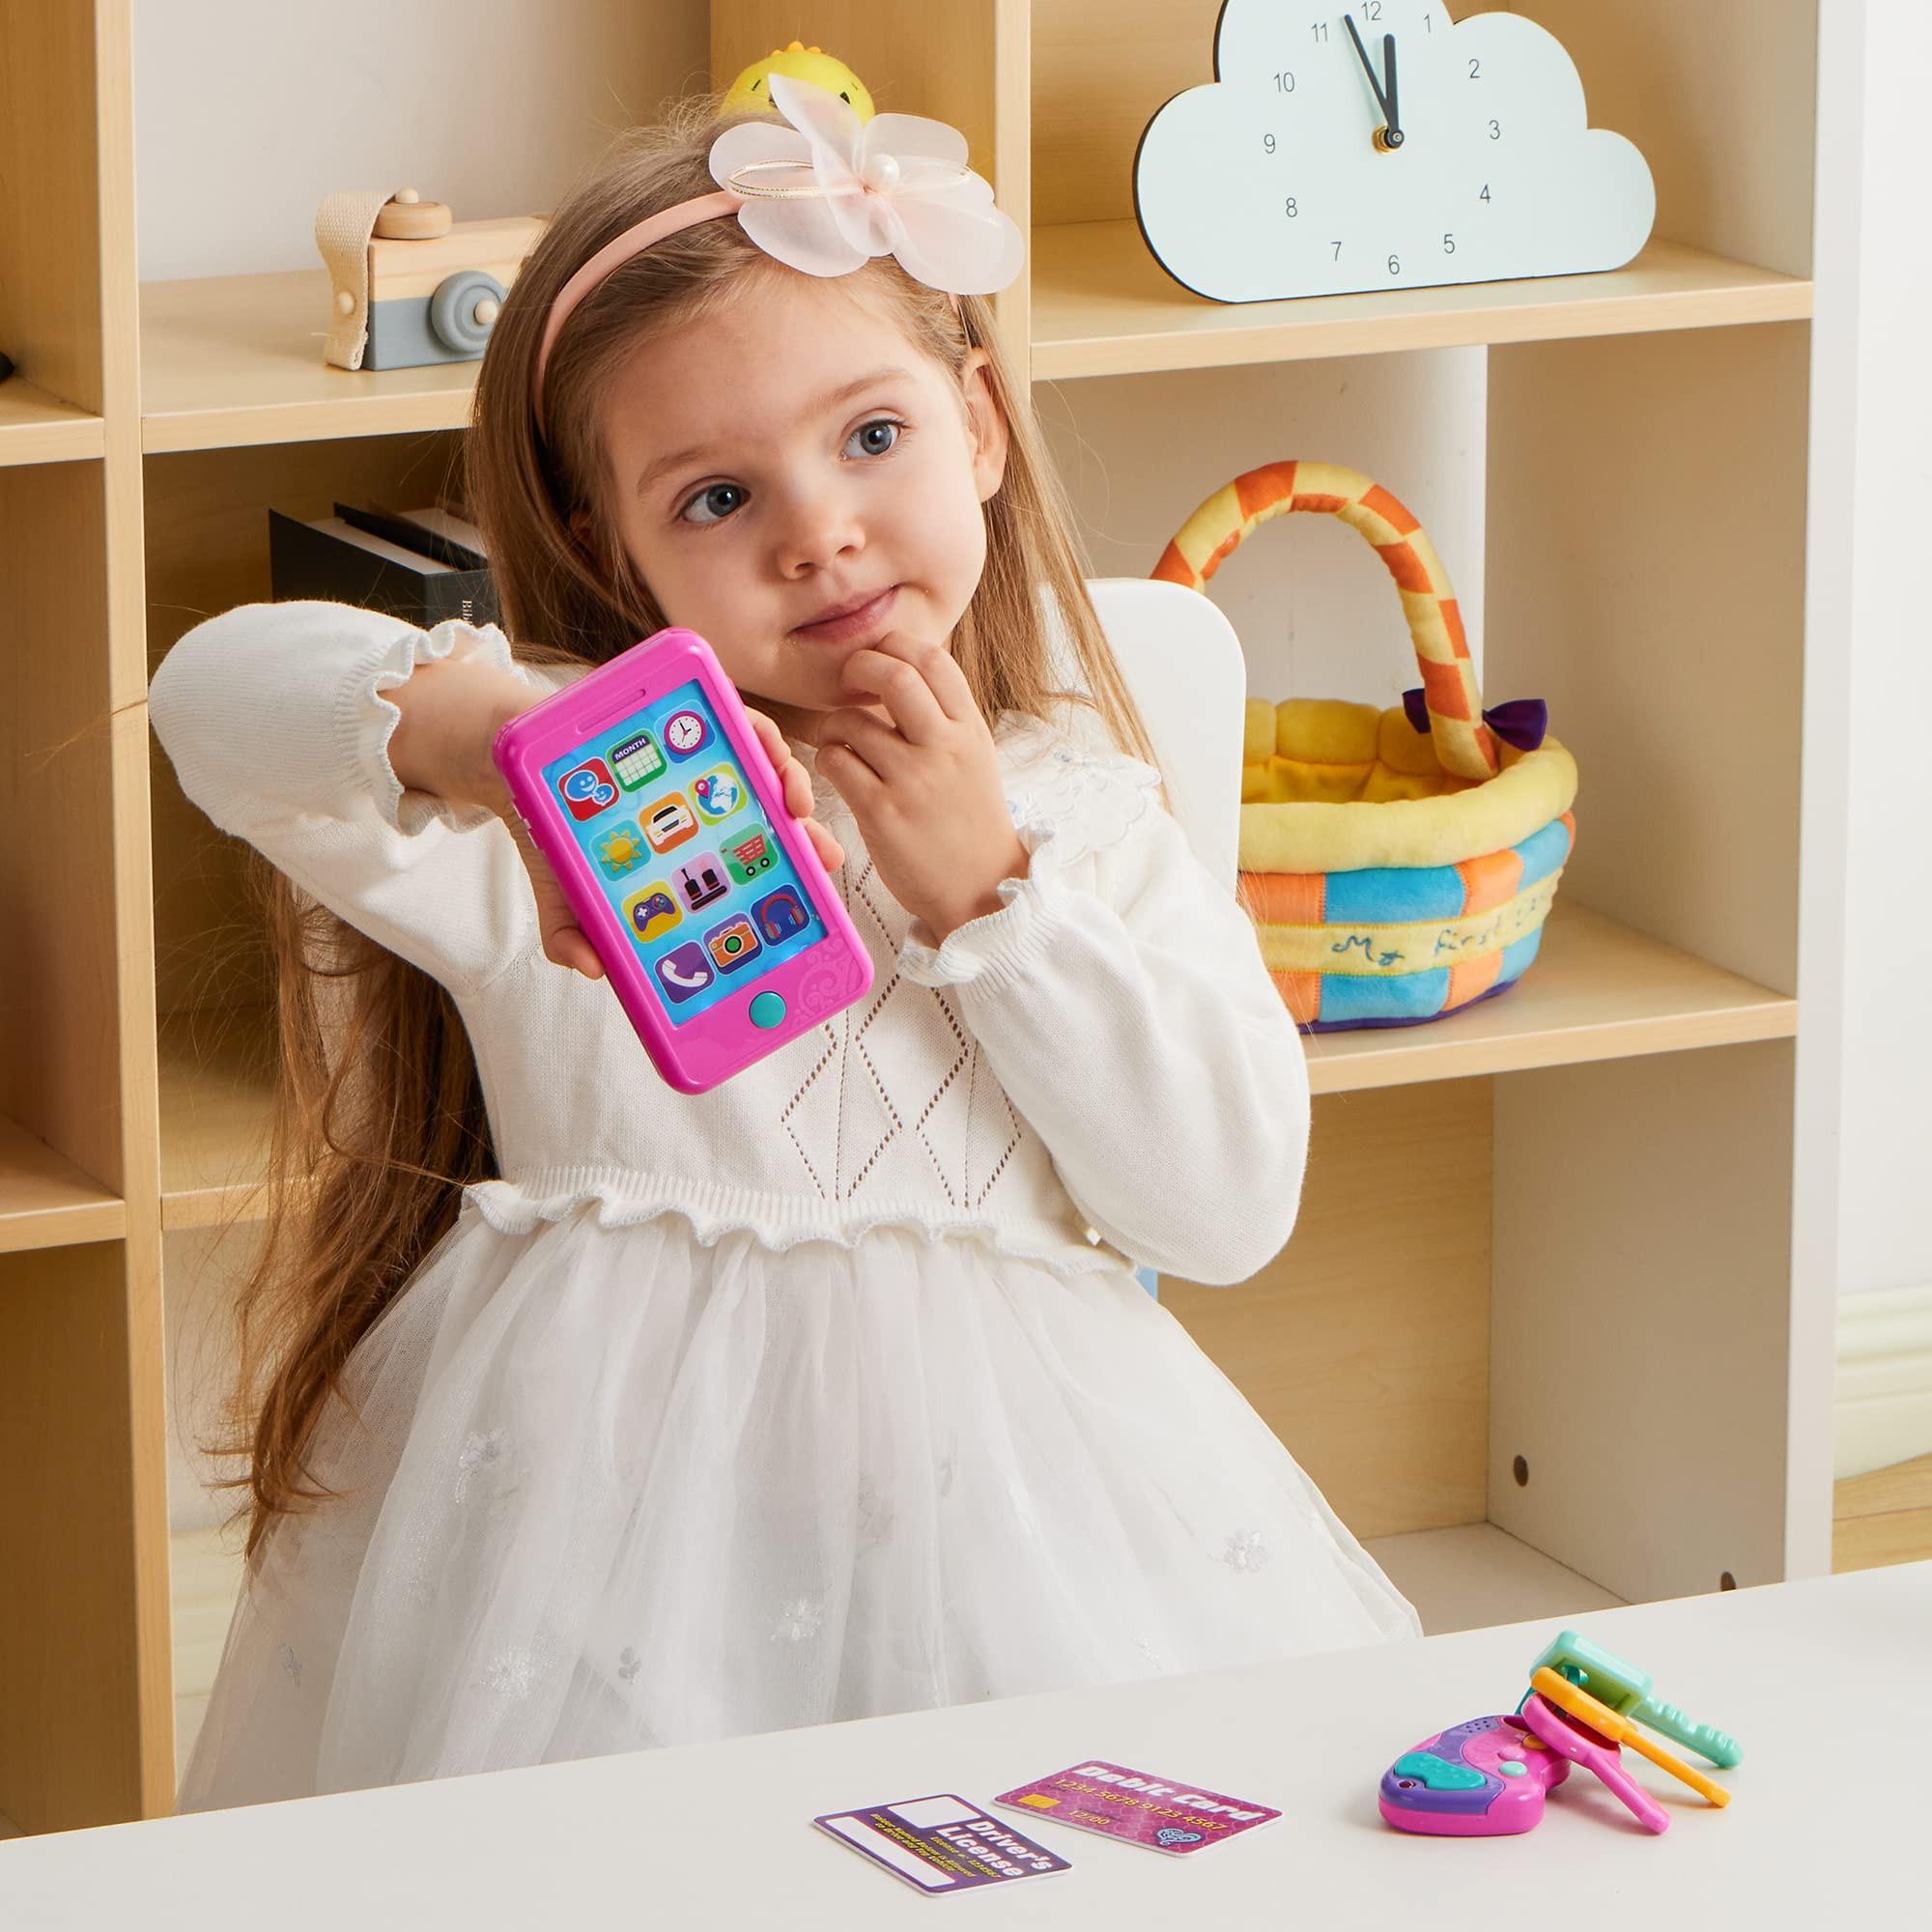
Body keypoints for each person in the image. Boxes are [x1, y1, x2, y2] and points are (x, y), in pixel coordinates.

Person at [152, 79, 1418, 1811]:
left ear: (979, 426)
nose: (816, 529)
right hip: (595, 1553)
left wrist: (995, 897)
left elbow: (1226, 1206)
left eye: (872, 440)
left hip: (1020, 1531)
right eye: (716, 498)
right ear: (611, 543)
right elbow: (211, 693)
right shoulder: (586, 818)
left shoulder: (1084, 816)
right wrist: (508, 743)